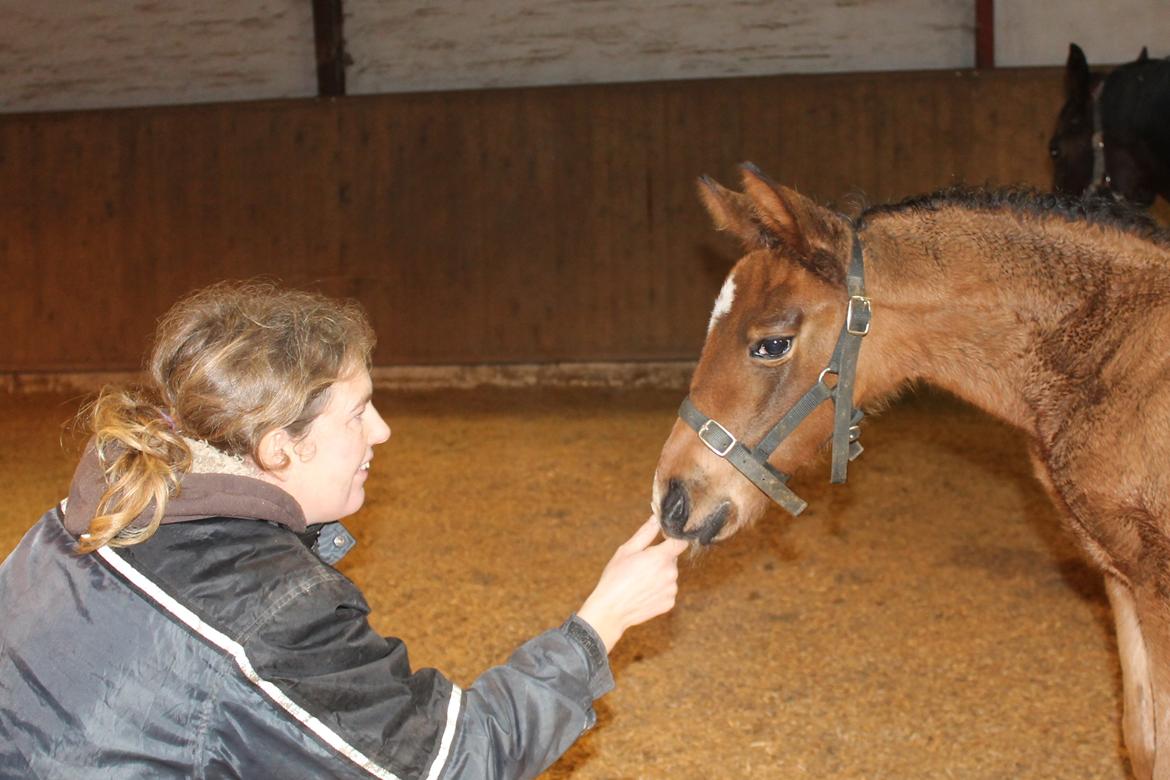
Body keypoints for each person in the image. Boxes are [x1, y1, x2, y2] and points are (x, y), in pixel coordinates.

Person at [0, 282, 688, 779]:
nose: (382, 431)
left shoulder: (83, 519)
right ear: (278, 449)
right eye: (358, 413)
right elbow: (450, 765)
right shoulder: (268, 614)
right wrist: (603, 620)